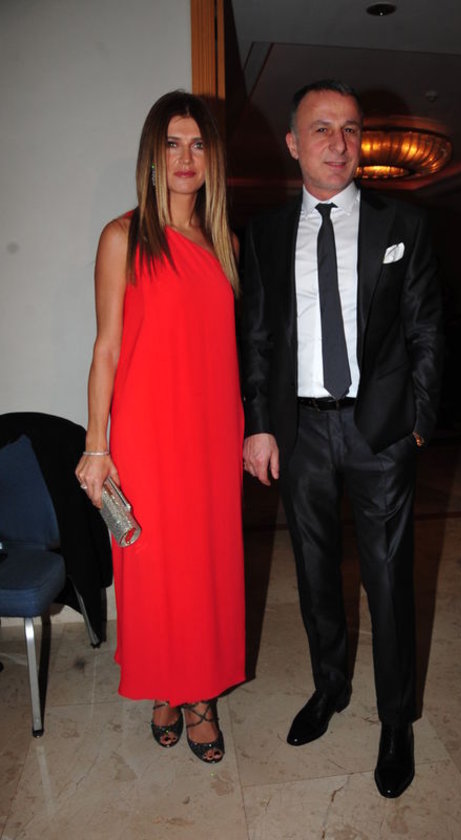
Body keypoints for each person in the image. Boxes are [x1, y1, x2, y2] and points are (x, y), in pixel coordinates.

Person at [240, 80, 443, 798]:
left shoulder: (403, 223)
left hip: (380, 430)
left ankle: (396, 719)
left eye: (350, 128)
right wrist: (259, 424)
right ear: (293, 144)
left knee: (388, 580)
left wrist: (419, 420)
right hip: (299, 432)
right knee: (316, 574)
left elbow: (426, 328)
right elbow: (257, 339)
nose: (339, 142)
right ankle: (330, 686)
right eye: (321, 128)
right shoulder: (264, 233)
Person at [75, 91, 245, 763]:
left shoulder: (225, 243)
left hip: (211, 433)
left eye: (198, 144)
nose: (186, 157)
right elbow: (106, 349)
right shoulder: (123, 237)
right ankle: (163, 688)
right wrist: (96, 445)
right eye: (173, 143)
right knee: (154, 573)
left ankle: (199, 695)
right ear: (153, 155)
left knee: (205, 568)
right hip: (147, 435)